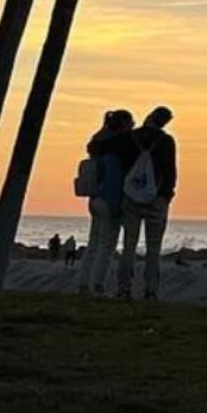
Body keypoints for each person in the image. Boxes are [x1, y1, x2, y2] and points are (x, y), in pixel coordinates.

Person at [116, 105, 178, 301]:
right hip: (156, 198)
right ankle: (150, 290)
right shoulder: (166, 141)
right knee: (153, 248)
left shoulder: (130, 138)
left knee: (129, 245)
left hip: (131, 196)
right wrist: (167, 196)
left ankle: (123, 288)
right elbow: (170, 171)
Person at [76, 110, 138, 297]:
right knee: (107, 246)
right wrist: (115, 205)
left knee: (94, 243)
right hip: (108, 199)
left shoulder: (98, 146)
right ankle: (98, 285)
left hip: (94, 199)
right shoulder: (114, 152)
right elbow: (113, 181)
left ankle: (83, 284)